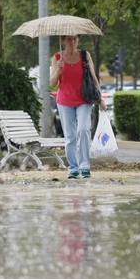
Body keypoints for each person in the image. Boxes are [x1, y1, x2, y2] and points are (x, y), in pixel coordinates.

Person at [50, 34, 103, 180]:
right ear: (63, 41)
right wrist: (58, 70)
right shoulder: (57, 58)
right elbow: (52, 83)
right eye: (68, 39)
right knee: (70, 137)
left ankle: (85, 166)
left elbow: (93, 77)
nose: (72, 41)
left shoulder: (85, 56)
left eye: (75, 38)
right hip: (65, 101)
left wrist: (100, 98)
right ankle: (73, 167)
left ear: (78, 40)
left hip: (84, 100)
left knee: (84, 129)